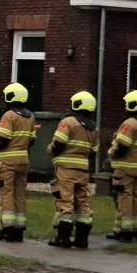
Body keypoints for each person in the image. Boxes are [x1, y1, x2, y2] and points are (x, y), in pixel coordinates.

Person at [47, 91, 99, 249]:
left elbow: (58, 143)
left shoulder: (68, 122)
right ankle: (82, 240)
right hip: (83, 171)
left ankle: (63, 238)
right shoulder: (93, 128)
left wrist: (50, 150)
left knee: (66, 202)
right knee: (82, 203)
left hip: (66, 170)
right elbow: (94, 151)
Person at [0, 82, 36, 242]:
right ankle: (19, 230)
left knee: (5, 193)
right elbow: (32, 141)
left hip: (7, 161)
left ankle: (6, 229)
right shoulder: (30, 117)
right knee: (20, 194)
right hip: (23, 160)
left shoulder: (9, 115)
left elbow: (3, 138)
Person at [107, 90, 137, 242]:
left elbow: (122, 147)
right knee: (136, 196)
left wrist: (111, 153)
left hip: (124, 168)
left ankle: (124, 230)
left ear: (133, 105)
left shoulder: (129, 124)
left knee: (124, 197)